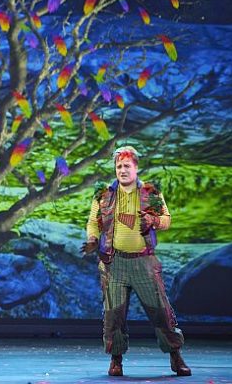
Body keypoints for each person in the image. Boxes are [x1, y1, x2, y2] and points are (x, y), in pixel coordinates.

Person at [82, 146, 191, 377]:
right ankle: (116, 359)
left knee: (161, 312)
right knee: (113, 315)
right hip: (114, 263)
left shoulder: (150, 193)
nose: (122, 170)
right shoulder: (104, 195)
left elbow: (166, 219)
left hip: (144, 262)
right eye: (119, 166)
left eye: (126, 166)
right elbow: (93, 222)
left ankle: (175, 355)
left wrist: (153, 220)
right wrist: (92, 239)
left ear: (136, 168)